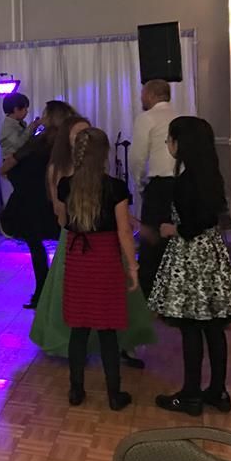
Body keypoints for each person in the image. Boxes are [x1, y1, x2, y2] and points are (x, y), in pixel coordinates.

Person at [31, 116, 156, 366]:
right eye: (78, 134)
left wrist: (129, 221)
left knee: (113, 296)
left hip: (102, 241)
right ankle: (75, 345)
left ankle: (124, 343)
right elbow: (60, 211)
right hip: (76, 239)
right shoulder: (59, 169)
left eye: (87, 133)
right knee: (77, 298)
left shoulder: (96, 171)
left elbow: (109, 204)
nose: (84, 138)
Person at [149, 116, 231, 416]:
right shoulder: (212, 176)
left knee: (190, 327)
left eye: (170, 138)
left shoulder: (185, 182)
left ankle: (191, 394)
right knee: (214, 327)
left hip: (190, 257)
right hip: (212, 256)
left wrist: (172, 229)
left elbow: (193, 223)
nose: (168, 144)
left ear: (182, 143)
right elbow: (210, 217)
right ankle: (218, 391)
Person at [55, 127, 139, 411]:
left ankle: (76, 390)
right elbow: (124, 231)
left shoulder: (65, 185)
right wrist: (133, 266)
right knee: (107, 329)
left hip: (78, 257)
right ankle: (114, 394)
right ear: (104, 154)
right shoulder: (115, 187)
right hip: (105, 259)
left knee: (78, 329)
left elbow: (63, 222)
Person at [0, 100, 74, 309]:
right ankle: (64, 292)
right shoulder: (67, 142)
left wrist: (5, 170)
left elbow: (11, 162)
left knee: (35, 244)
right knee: (65, 242)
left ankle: (42, 291)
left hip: (31, 198)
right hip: (57, 197)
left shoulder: (40, 141)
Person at [130, 79, 179, 296]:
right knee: (174, 237)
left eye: (142, 94)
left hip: (158, 185)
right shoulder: (180, 117)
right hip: (180, 184)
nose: (141, 98)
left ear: (150, 95)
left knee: (152, 240)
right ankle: (173, 287)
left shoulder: (146, 118)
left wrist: (140, 183)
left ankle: (149, 290)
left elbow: (137, 157)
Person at [0, 93, 41, 158]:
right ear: (16, 109)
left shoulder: (20, 123)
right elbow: (19, 144)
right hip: (11, 161)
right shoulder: (8, 126)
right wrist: (30, 128)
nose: (27, 112)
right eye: (25, 109)